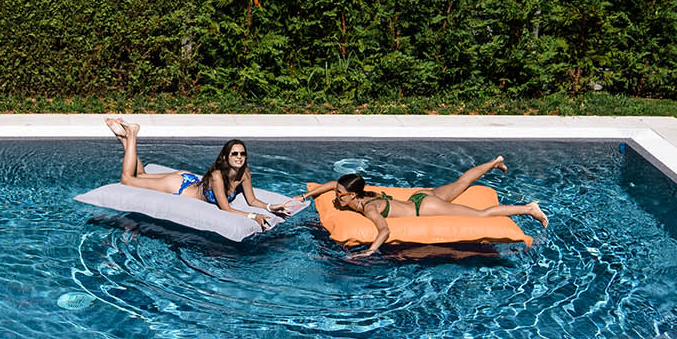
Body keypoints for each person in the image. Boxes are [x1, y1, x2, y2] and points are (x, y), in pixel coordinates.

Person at [304, 156, 549, 255]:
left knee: (482, 214)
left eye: (340, 195)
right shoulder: (364, 193)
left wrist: (369, 251)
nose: (337, 198)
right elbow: (329, 183)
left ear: (353, 194)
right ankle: (495, 162)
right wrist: (306, 196)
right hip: (421, 197)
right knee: (461, 182)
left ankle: (528, 208)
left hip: (426, 208)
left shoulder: (368, 208)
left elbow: (385, 230)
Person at [106, 117, 289, 228]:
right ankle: (133, 134)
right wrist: (252, 216)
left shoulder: (245, 173)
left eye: (242, 154)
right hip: (178, 186)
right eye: (234, 154)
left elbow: (252, 200)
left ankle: (124, 138)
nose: (239, 157)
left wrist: (270, 207)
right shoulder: (218, 176)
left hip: (188, 178)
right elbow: (225, 208)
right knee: (128, 180)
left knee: (142, 176)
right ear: (225, 158)